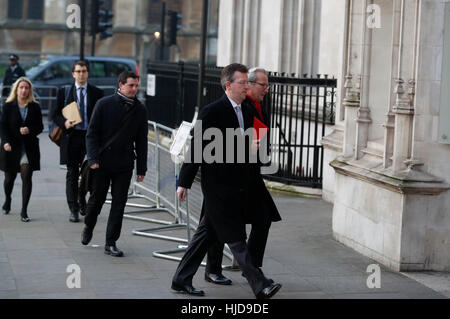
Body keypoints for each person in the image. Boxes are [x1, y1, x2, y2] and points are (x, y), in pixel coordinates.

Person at [171, 63, 282, 299]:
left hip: (241, 185)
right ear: (228, 85)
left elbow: (252, 152)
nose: (247, 87)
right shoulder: (212, 111)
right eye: (242, 83)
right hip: (218, 187)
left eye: (248, 83)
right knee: (236, 239)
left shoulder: (249, 112)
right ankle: (260, 284)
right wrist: (184, 182)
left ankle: (181, 280)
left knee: (204, 237)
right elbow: (199, 149)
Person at [204, 67, 281, 284]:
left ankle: (252, 268)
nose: (266, 89)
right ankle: (213, 269)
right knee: (214, 225)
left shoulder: (259, 107)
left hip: (250, 175)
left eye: (267, 85)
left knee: (263, 217)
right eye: (262, 85)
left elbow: (259, 139)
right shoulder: (239, 105)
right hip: (227, 177)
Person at [81, 71, 148, 257]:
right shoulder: (104, 104)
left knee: (119, 203)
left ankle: (111, 242)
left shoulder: (140, 109)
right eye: (131, 85)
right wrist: (93, 159)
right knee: (97, 200)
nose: (134, 89)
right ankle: (89, 224)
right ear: (120, 85)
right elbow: (92, 134)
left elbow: (142, 141)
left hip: (124, 164)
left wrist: (142, 168)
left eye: (136, 86)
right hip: (102, 163)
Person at [53, 60, 103, 222]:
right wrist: (64, 123)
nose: (81, 74)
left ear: (88, 73)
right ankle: (73, 209)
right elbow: (55, 114)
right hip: (71, 137)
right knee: (72, 173)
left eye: (84, 71)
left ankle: (82, 196)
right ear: (73, 74)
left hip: (90, 138)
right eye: (78, 71)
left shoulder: (97, 93)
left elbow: (102, 117)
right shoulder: (64, 92)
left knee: (91, 171)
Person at [0, 77, 43, 222]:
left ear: (29, 90)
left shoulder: (35, 106)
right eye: (21, 87)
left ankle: (24, 210)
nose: (24, 90)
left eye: (26, 88)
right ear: (16, 89)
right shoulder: (7, 106)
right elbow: (3, 126)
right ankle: (8, 199)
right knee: (9, 179)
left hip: (28, 147)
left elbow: (40, 127)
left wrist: (29, 129)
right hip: (11, 146)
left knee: (26, 175)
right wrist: (5, 142)